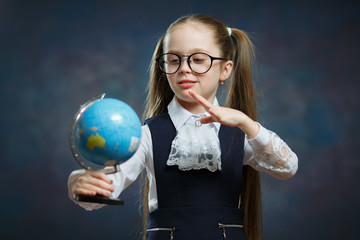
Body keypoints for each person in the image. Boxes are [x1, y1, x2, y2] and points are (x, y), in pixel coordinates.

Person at [68, 14, 298, 240]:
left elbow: (287, 167)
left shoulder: (241, 133)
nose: (184, 69)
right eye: (174, 59)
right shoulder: (147, 135)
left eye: (198, 59)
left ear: (225, 70)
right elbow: (108, 186)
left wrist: (245, 122)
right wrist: (81, 183)